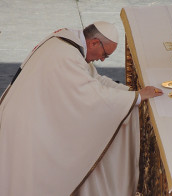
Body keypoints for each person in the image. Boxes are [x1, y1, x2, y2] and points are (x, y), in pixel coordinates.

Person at [0, 21, 163, 196]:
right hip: (26, 127)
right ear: (94, 42)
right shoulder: (67, 57)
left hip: (29, 113)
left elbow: (93, 79)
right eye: (105, 55)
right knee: (30, 180)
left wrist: (129, 92)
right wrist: (136, 98)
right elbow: (93, 97)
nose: (102, 59)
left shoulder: (66, 41)